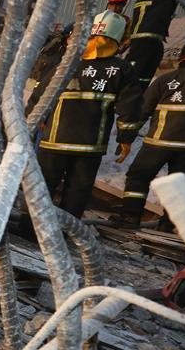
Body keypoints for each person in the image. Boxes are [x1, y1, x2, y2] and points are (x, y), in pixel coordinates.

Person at [27, 11, 143, 218]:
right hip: (90, 146)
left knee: (42, 186)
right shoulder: (122, 69)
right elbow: (131, 107)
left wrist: (31, 123)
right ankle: (67, 230)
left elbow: (38, 97)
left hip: (54, 142)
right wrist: (126, 139)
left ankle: (31, 227)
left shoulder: (66, 64)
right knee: (77, 191)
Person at [113, 31, 185, 228]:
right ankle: (167, 225)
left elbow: (142, 110)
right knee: (181, 187)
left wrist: (126, 138)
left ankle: (129, 217)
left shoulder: (166, 80)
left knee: (139, 177)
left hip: (158, 142)